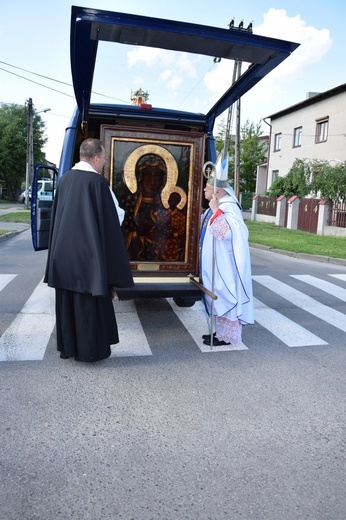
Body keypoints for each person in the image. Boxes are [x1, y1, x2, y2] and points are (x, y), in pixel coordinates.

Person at [44, 138, 134, 362]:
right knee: (89, 305)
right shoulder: (97, 183)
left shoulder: (63, 180)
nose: (103, 162)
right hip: (88, 258)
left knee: (68, 303)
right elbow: (114, 216)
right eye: (103, 158)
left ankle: (69, 349)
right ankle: (90, 352)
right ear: (95, 157)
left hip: (64, 257)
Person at [200, 177, 254, 346]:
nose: (204, 191)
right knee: (219, 297)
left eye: (207, 188)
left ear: (217, 191)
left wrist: (216, 210)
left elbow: (226, 233)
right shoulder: (222, 206)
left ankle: (227, 337)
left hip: (227, 265)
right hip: (218, 262)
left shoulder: (228, 207)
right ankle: (221, 333)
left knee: (226, 296)